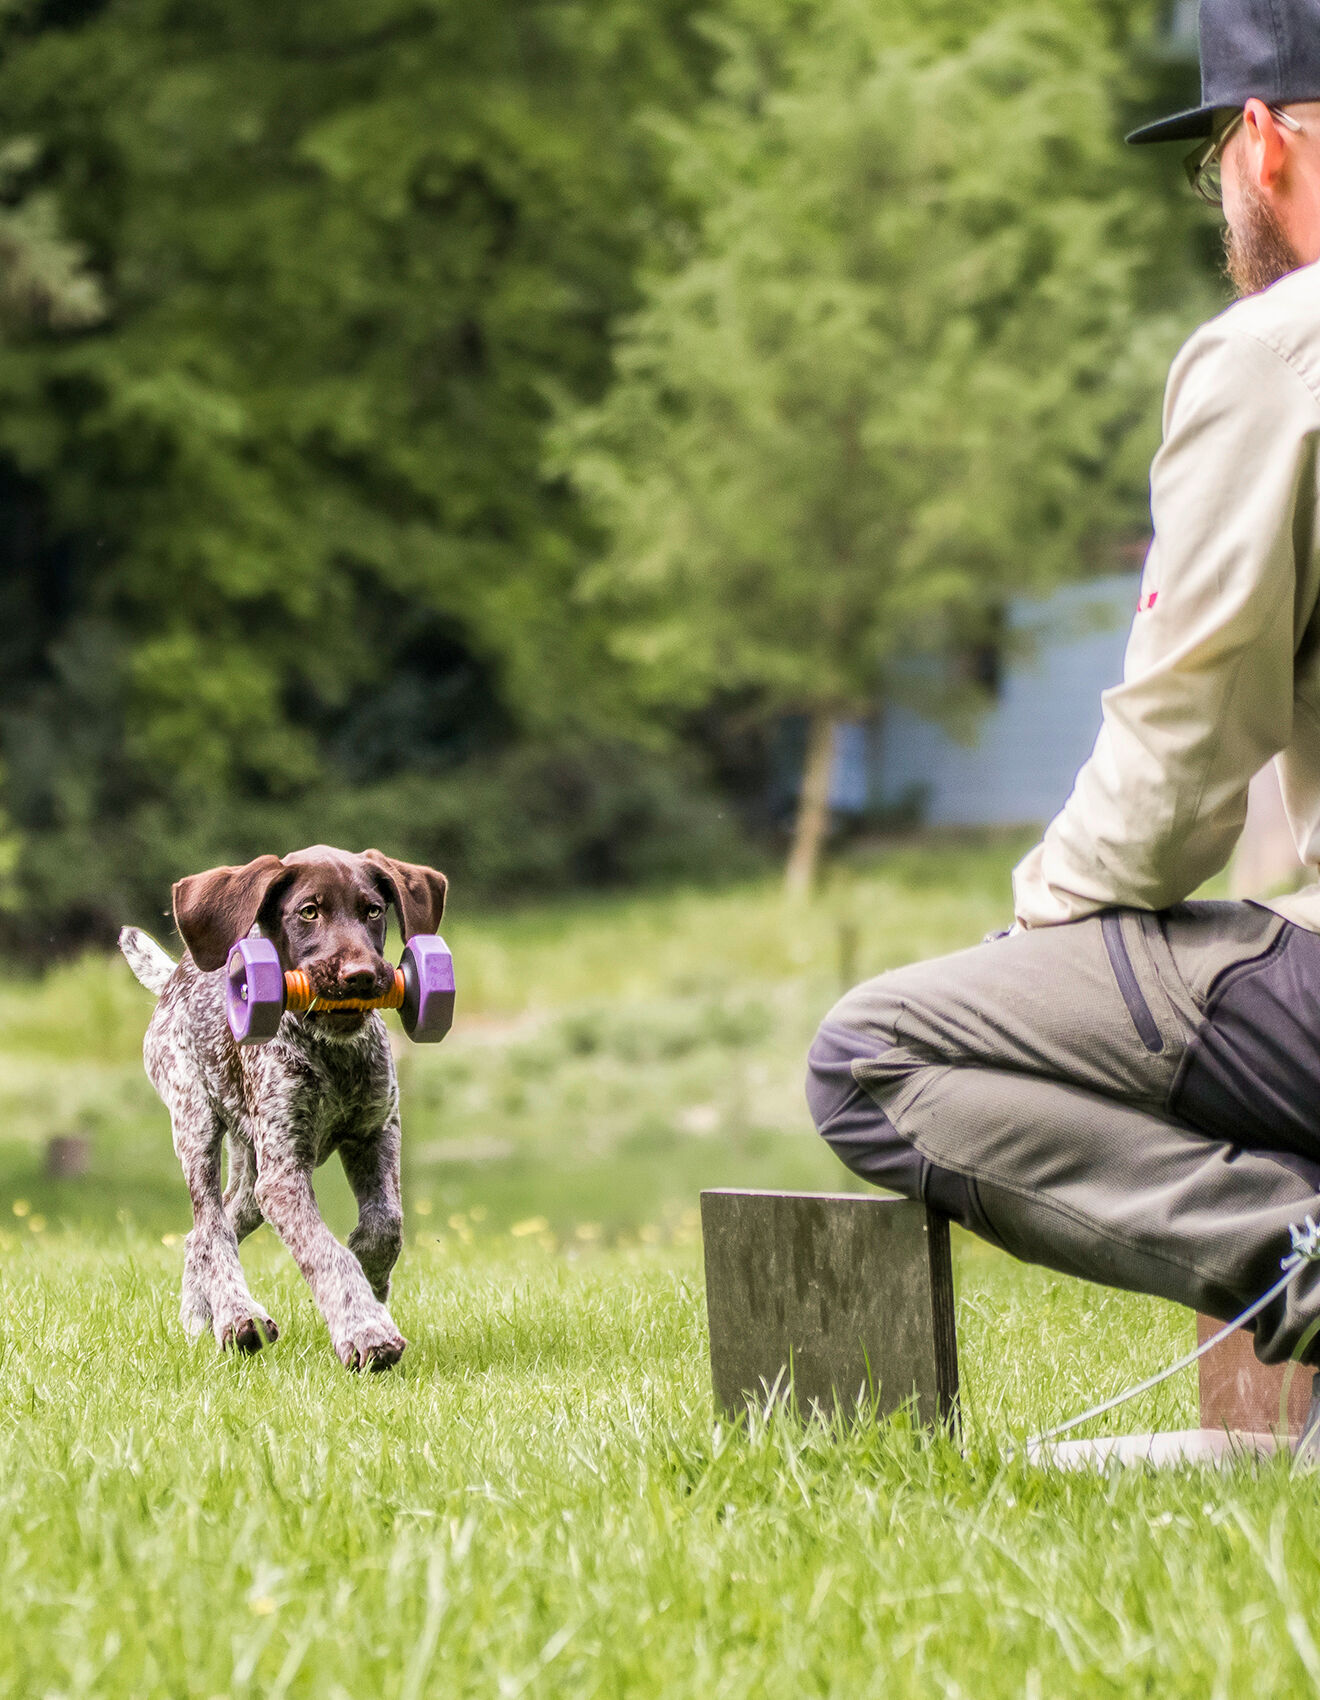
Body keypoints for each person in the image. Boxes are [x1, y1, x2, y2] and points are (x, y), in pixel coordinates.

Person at [806, 0, 1320, 1436]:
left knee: (874, 1057)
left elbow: (1183, 741)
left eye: (1213, 156)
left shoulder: (1275, 353)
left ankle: (1301, 1252)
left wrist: (1046, 935)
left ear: (1264, 141)